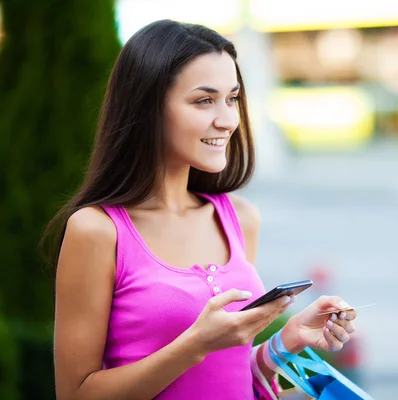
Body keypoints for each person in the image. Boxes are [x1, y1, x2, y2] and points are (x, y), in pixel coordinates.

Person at [45, 19, 357, 400]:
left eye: (232, 98)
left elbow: (228, 376)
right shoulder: (97, 231)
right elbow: (75, 394)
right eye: (203, 100)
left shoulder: (240, 219)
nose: (226, 120)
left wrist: (285, 343)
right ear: (147, 108)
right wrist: (195, 345)